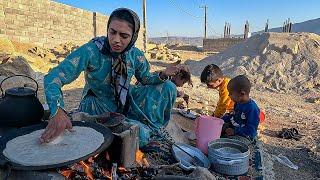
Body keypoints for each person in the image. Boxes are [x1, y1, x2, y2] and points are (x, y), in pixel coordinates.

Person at [40, 8, 182, 146]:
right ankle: (137, 129)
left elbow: (145, 79)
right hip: (98, 105)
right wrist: (57, 110)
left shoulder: (134, 55)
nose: (116, 40)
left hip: (125, 100)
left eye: (124, 36)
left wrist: (163, 74)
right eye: (112, 32)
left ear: (133, 37)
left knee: (169, 87)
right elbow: (53, 78)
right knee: (140, 136)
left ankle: (151, 126)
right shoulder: (92, 51)